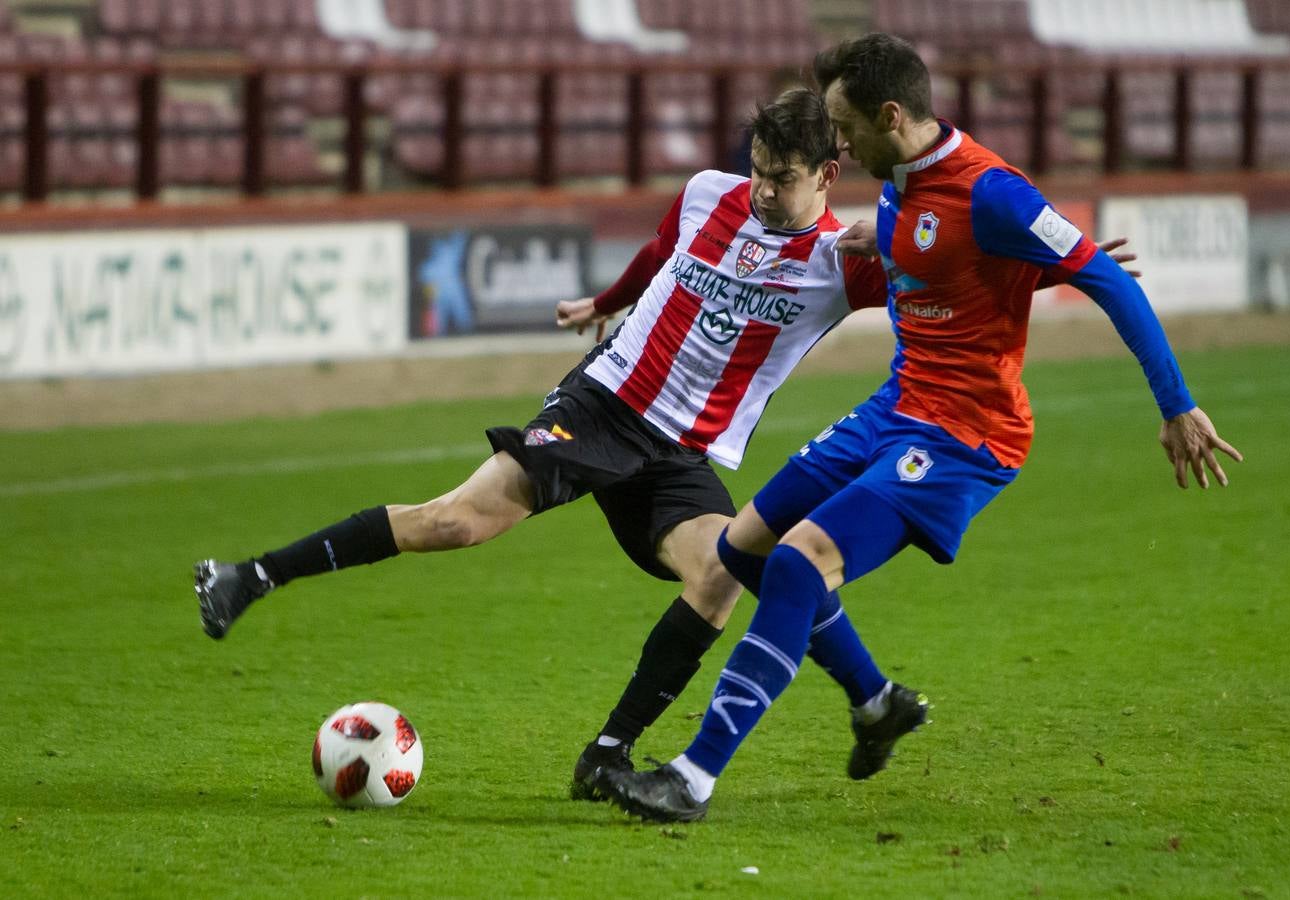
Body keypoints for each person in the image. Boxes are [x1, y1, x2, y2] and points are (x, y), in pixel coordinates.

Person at [596, 33, 1244, 823]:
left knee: (801, 564)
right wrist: (888, 238)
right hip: (894, 409)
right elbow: (952, 258)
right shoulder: (901, 182)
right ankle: (876, 703)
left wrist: (1175, 404)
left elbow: (1106, 280)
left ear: (891, 115)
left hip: (964, 436)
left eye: (846, 125)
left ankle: (693, 778)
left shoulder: (992, 191)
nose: (838, 143)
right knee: (742, 547)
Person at [193, 88, 901, 801]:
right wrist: (605, 302)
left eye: (783, 178)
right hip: (603, 406)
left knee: (721, 573)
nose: (764, 190)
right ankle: (248, 576)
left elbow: (944, 265)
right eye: (758, 170)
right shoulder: (707, 195)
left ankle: (608, 754)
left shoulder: (841, 262)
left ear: (826, 176)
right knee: (453, 522)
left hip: (680, 453)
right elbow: (661, 252)